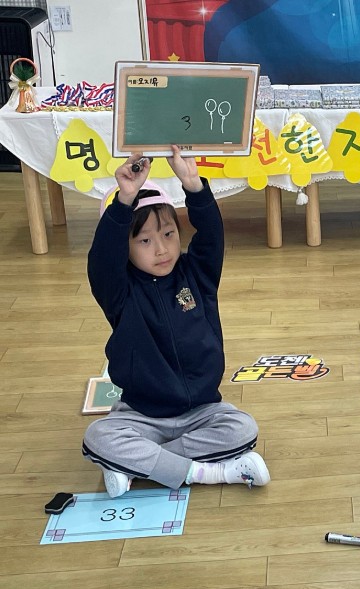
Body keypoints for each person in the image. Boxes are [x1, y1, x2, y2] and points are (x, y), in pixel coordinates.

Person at [82, 148, 270, 497]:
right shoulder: (118, 291)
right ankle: (211, 473)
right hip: (141, 414)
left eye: (168, 234)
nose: (161, 249)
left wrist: (193, 185)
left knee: (243, 428)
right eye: (145, 240)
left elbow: (211, 235)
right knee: (99, 436)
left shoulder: (196, 274)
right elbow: (102, 260)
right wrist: (124, 200)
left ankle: (140, 466)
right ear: (125, 248)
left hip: (202, 411)